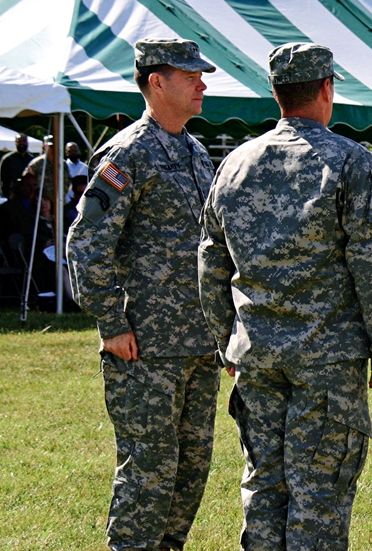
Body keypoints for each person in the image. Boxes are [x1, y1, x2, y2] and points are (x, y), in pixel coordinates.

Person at [198, 42, 372, 551]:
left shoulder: (235, 163)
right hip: (327, 359)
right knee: (320, 495)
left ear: (275, 93)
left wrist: (227, 338)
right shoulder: (349, 161)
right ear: (327, 89)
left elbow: (210, 264)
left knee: (264, 486)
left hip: (257, 354)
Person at [66, 38, 221, 551]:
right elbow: (85, 244)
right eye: (191, 75)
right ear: (157, 81)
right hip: (147, 345)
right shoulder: (128, 151)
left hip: (199, 344)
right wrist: (111, 323)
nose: (202, 84)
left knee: (191, 470)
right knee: (148, 471)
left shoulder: (196, 151)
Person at [1, 133, 32, 198]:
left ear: (27, 142)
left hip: (28, 194)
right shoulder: (8, 159)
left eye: (23, 141)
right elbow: (3, 179)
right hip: (12, 195)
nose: (22, 143)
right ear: (15, 143)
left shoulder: (32, 160)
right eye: (19, 141)